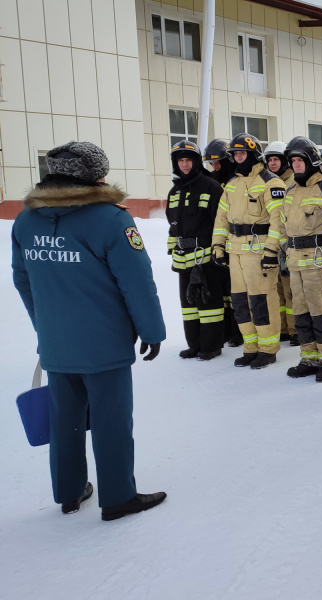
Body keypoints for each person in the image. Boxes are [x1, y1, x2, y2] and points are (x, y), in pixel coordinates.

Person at [11, 141, 167, 521]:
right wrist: (152, 331)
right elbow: (136, 280)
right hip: (104, 343)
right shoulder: (110, 219)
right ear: (93, 176)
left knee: (65, 420)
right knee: (111, 420)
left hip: (56, 343)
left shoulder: (26, 220)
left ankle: (68, 492)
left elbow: (22, 280)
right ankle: (117, 497)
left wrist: (44, 326)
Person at [211, 133, 286, 369]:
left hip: (260, 252)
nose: (238, 157)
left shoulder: (271, 182)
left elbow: (279, 221)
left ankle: (268, 348)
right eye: (234, 154)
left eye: (242, 153)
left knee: (261, 300)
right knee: (240, 301)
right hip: (235, 252)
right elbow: (221, 219)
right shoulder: (232, 185)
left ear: (253, 154)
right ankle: (250, 346)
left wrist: (272, 251)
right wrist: (218, 245)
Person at [280, 136, 322, 382]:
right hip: (296, 263)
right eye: (293, 160)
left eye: (301, 160)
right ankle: (309, 357)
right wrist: (282, 252)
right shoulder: (291, 192)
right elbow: (282, 227)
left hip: (321, 265)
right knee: (301, 314)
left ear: (312, 161)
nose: (297, 164)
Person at [165, 140, 226, 360]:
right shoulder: (174, 191)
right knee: (189, 304)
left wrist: (217, 251)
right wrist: (173, 249)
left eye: (188, 160)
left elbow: (221, 222)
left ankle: (211, 346)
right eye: (180, 160)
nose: (184, 164)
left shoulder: (211, 186)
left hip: (205, 255)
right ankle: (194, 344)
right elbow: (172, 225)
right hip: (183, 258)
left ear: (196, 161)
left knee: (209, 304)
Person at [203, 138, 243, 348]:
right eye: (212, 164)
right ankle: (228, 330)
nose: (215, 167)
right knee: (224, 292)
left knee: (236, 290)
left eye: (218, 162)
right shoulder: (212, 181)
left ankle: (239, 331)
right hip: (219, 242)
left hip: (237, 242)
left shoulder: (237, 180)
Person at [263, 141, 299, 346]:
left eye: (276, 159)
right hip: (272, 240)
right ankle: (284, 328)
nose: (273, 163)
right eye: (270, 160)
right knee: (277, 289)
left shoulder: (292, 180)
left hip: (288, 241)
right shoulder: (269, 181)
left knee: (290, 289)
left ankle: (295, 330)